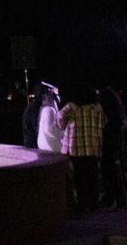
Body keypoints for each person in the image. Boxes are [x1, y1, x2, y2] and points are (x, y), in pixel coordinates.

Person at [58, 85, 105, 214]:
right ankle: (93, 204)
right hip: (93, 148)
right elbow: (104, 123)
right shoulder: (98, 108)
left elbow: (59, 122)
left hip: (75, 149)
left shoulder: (71, 107)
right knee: (93, 176)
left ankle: (83, 205)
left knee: (79, 177)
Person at [99, 86, 126, 209]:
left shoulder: (104, 112)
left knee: (109, 171)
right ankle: (119, 198)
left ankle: (114, 198)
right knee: (116, 171)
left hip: (107, 144)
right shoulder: (117, 111)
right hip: (116, 143)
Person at [36, 85, 63, 151]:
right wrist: (63, 133)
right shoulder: (49, 110)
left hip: (45, 146)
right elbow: (50, 130)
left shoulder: (45, 109)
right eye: (56, 95)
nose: (58, 98)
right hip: (51, 148)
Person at [22, 83, 46, 148]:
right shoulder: (35, 108)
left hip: (30, 142)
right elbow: (36, 127)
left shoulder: (33, 106)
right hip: (33, 144)